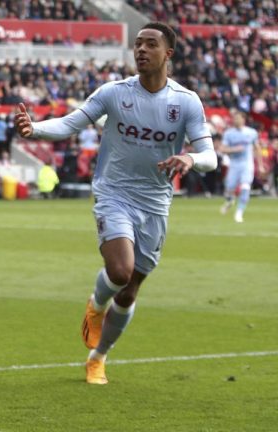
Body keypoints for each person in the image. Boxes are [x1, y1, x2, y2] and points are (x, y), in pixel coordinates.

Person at [15, 22, 217, 385]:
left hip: (155, 202)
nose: (141, 50)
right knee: (120, 271)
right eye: (137, 44)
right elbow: (72, 123)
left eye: (150, 44)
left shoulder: (185, 101)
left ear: (167, 54)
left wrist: (190, 159)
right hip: (114, 193)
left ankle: (98, 357)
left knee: (130, 290)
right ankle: (95, 305)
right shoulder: (113, 92)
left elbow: (211, 157)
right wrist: (37, 128)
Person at [219, 112, 262, 223]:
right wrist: (234, 149)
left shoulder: (251, 132)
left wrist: (260, 165)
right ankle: (230, 200)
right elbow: (222, 149)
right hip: (234, 164)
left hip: (247, 164)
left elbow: (257, 148)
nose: (235, 120)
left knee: (245, 187)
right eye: (234, 119)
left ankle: (239, 212)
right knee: (229, 188)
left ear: (244, 119)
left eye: (238, 118)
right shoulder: (228, 133)